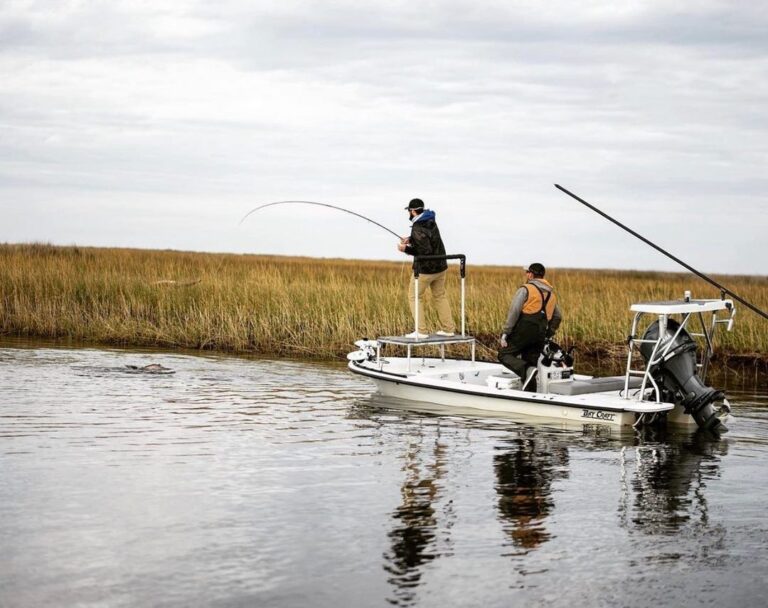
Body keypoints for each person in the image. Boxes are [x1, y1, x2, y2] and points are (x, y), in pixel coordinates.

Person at [397, 198, 456, 339]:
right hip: (441, 267)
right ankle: (448, 329)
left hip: (425, 270)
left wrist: (406, 249)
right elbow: (427, 239)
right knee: (440, 296)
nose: (409, 214)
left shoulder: (418, 227)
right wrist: (410, 239)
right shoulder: (431, 220)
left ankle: (421, 331)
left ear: (413, 211)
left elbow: (424, 251)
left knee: (414, 296)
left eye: (409, 211)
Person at [498, 263, 562, 387]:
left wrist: (506, 332)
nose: (526, 274)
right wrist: (548, 333)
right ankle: (530, 394)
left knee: (504, 354)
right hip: (540, 334)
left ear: (531, 274)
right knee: (531, 364)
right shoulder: (551, 295)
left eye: (527, 272)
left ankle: (526, 370)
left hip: (524, 331)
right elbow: (558, 317)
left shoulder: (525, 289)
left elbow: (514, 311)